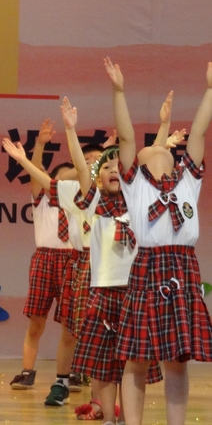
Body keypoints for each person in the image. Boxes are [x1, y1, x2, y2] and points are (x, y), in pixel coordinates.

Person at [106, 58, 212, 425]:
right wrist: (119, 91)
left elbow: (198, 134)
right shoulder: (136, 185)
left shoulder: (187, 180)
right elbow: (126, 137)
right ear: (140, 163)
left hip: (183, 267)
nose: (158, 149)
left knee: (177, 362)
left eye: (163, 148)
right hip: (149, 267)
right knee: (136, 359)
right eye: (150, 149)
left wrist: (210, 89)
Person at [5, 118, 87, 406]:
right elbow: (36, 171)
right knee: (36, 322)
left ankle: (71, 373)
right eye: (62, 178)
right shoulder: (41, 198)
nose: (66, 182)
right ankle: (27, 372)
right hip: (45, 259)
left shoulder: (80, 204)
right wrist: (39, 145)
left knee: (71, 323)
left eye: (72, 179)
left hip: (72, 261)